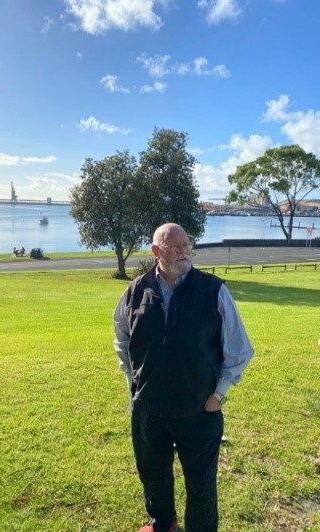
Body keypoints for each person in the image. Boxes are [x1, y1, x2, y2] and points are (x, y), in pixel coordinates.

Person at [113, 223, 254, 532]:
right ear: (155, 252)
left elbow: (240, 349)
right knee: (153, 475)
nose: (183, 252)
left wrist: (218, 395)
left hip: (199, 411)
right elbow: (123, 339)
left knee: (201, 486)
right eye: (174, 247)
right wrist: (132, 382)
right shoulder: (136, 291)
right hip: (149, 409)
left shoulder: (213, 290)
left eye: (186, 245)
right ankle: (163, 524)